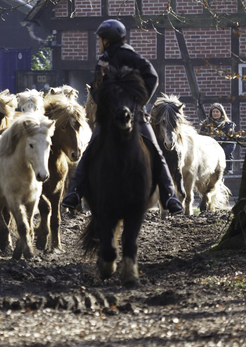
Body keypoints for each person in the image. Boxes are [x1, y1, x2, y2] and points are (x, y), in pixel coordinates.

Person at [61, 19, 184, 215]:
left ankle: (74, 192)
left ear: (107, 40)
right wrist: (138, 101)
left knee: (91, 151)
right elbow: (150, 78)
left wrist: (131, 102)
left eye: (100, 39)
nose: (99, 43)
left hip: (123, 117)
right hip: (131, 115)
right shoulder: (107, 60)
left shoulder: (124, 57)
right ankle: (170, 197)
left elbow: (149, 78)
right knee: (155, 152)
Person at [199, 103, 236, 174]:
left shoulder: (228, 126)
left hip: (224, 158)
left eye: (217, 112)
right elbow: (200, 140)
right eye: (213, 112)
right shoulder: (205, 125)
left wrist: (219, 154)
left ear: (221, 113)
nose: (215, 113)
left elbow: (231, 144)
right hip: (208, 158)